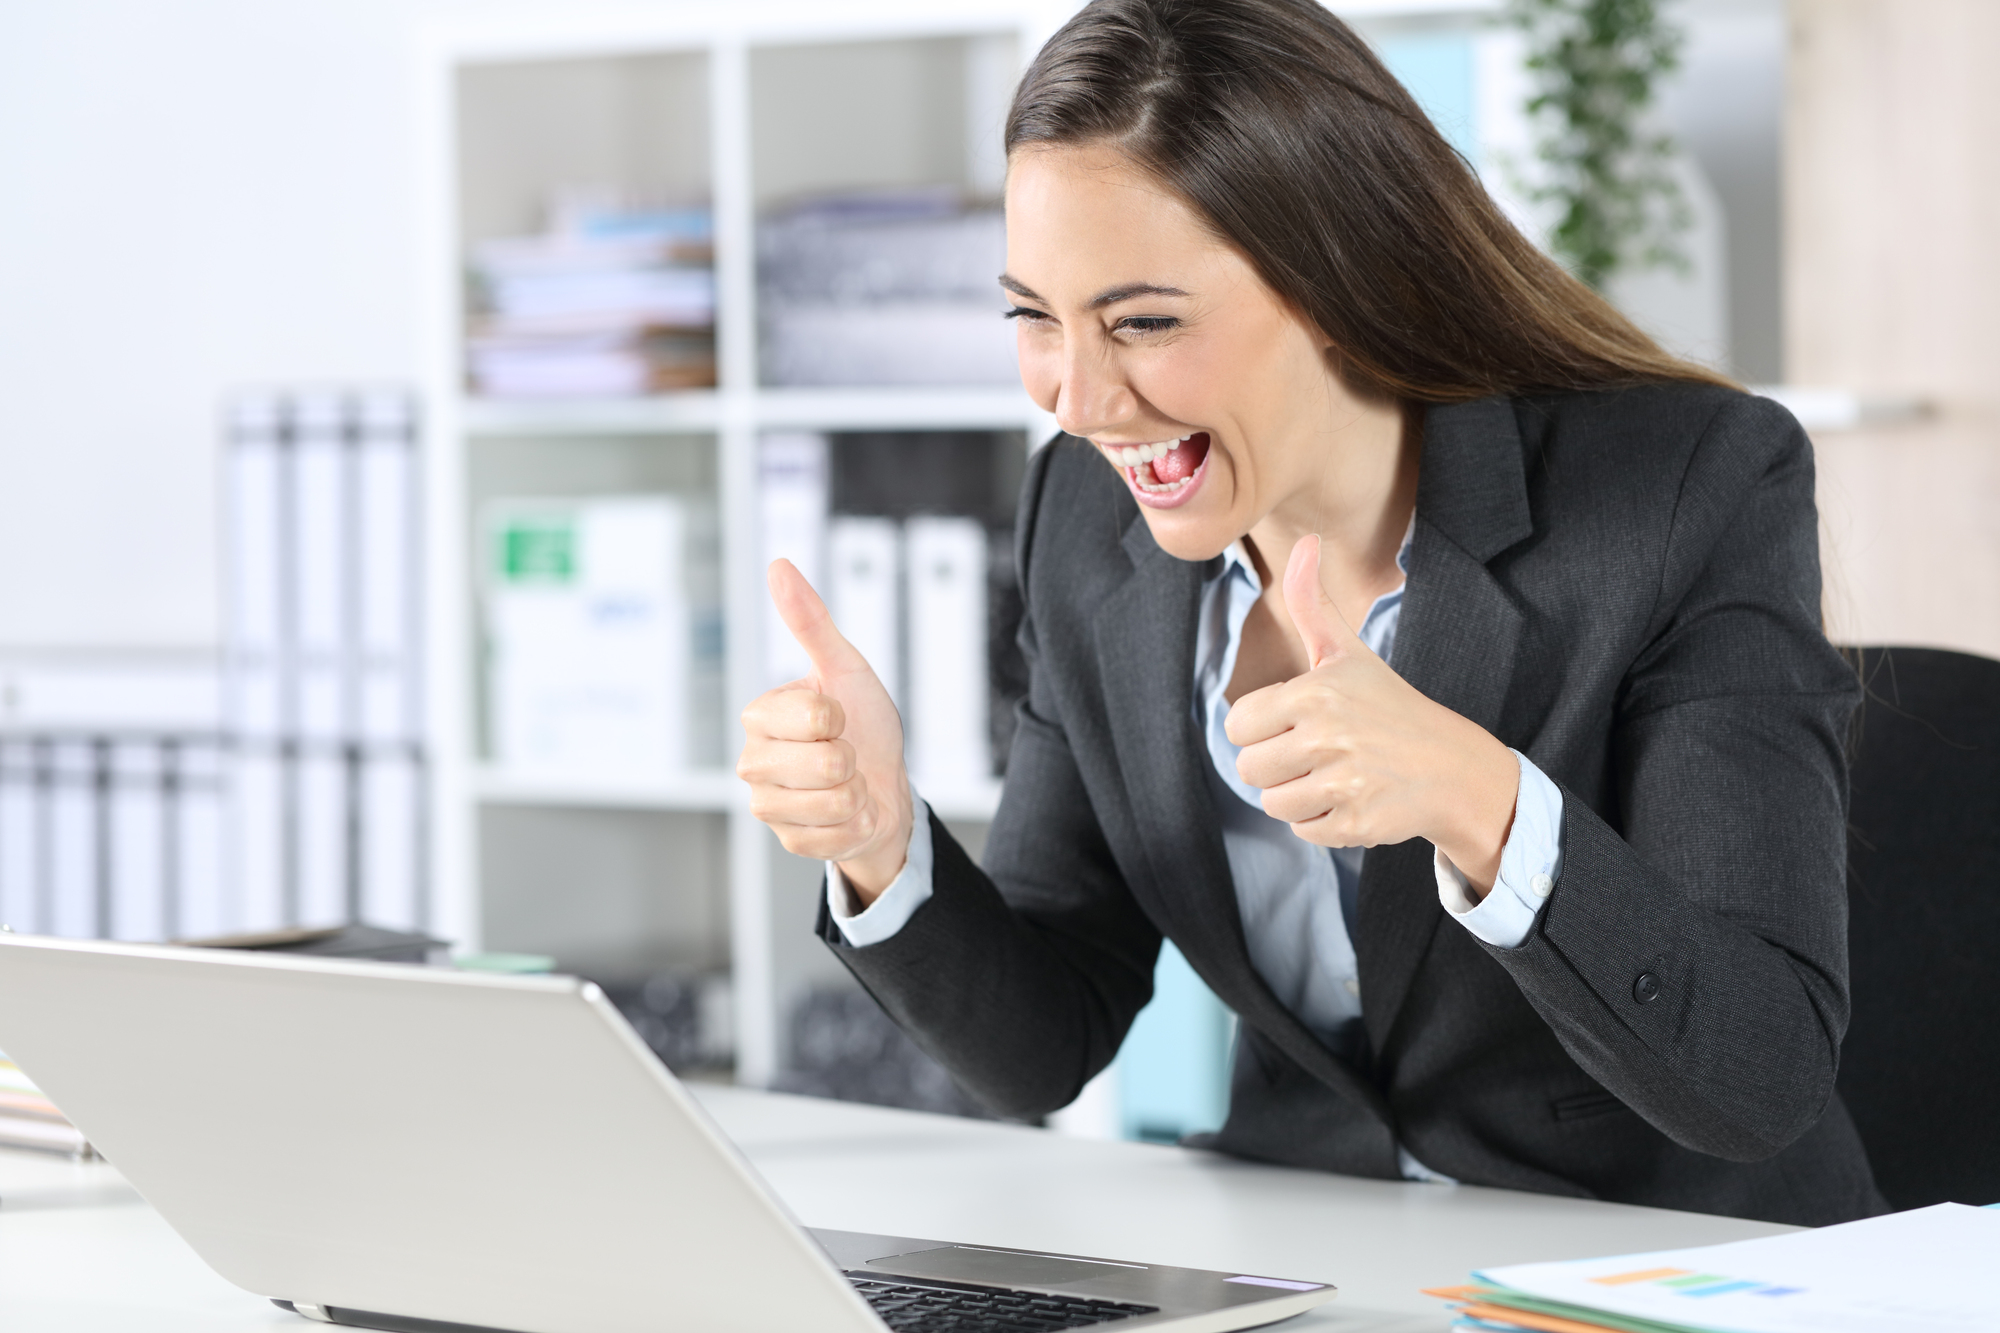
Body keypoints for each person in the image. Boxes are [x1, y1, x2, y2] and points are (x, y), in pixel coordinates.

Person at [736, 0, 1883, 1225]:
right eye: (1032, 317)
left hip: (1662, 1260)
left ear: (1339, 281)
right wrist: (880, 844)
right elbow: (1044, 1040)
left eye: (1142, 322)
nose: (1075, 397)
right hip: (1318, 1253)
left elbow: (1759, 1077)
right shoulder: (1084, 521)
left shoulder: (1683, 487)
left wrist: (1477, 800)